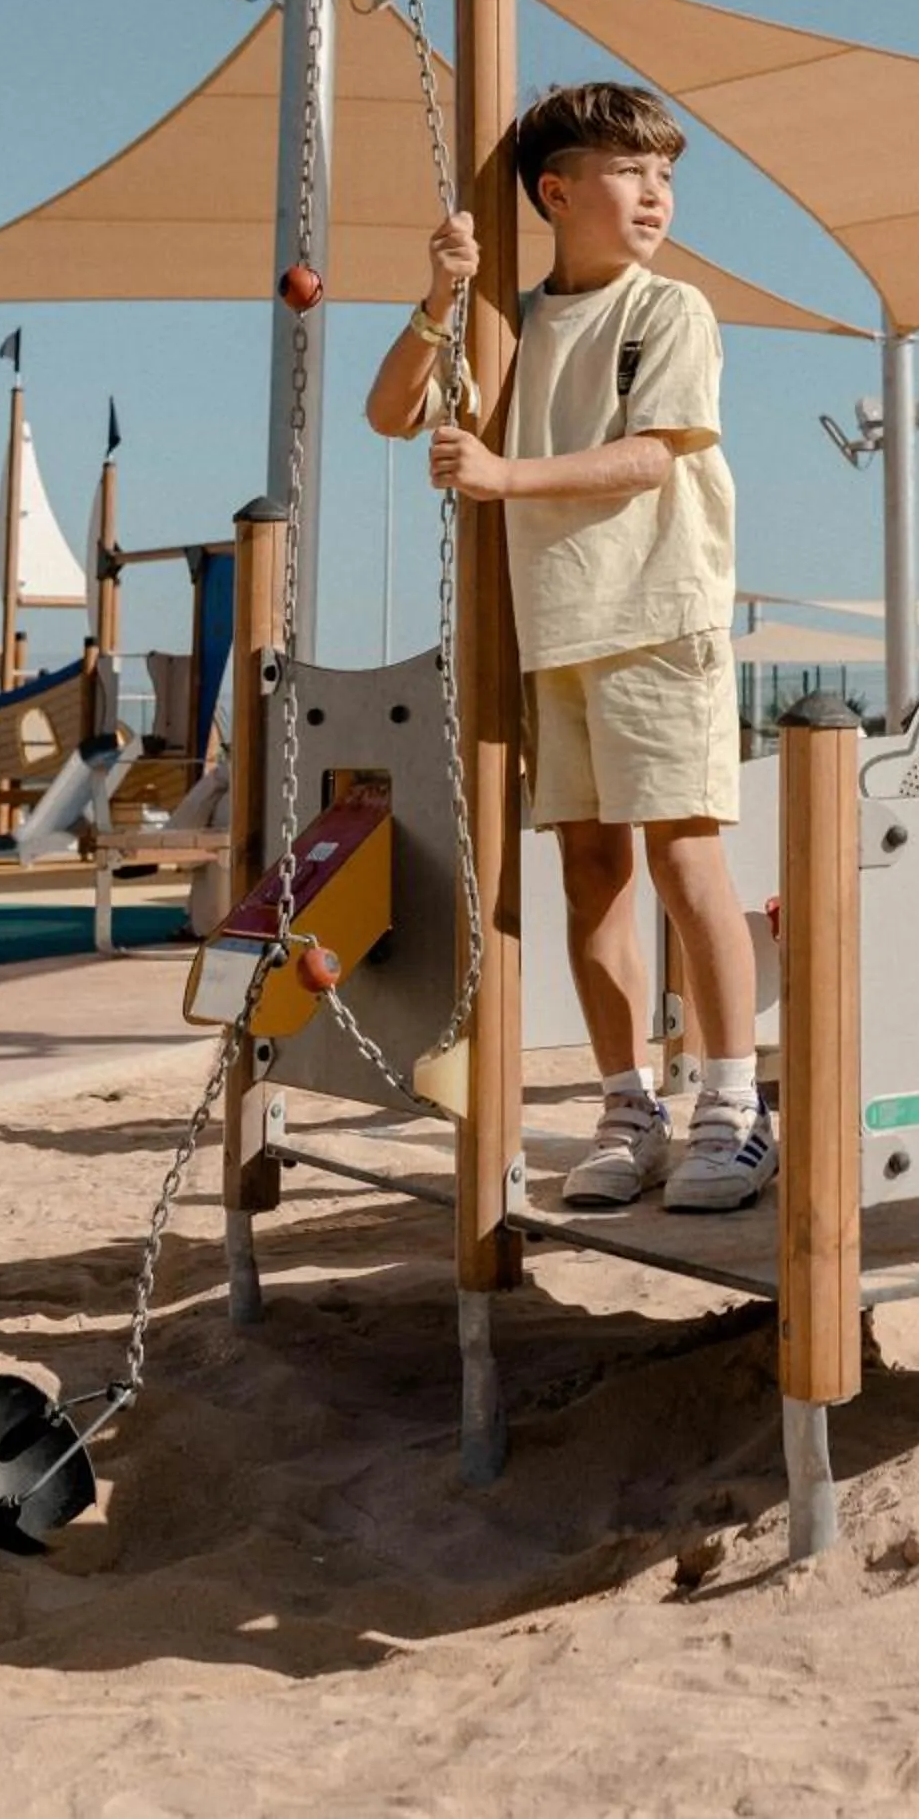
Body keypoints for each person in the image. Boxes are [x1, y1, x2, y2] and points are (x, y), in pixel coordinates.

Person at [365, 81, 773, 1216]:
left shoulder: (668, 309)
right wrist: (443, 288)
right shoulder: (511, 317)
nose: (655, 195)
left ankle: (732, 1110)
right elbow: (391, 411)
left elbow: (650, 457)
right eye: (628, 172)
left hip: (656, 615)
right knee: (589, 873)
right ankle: (626, 1106)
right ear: (555, 192)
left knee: (687, 862)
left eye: (665, 177)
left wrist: (503, 478)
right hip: (553, 632)